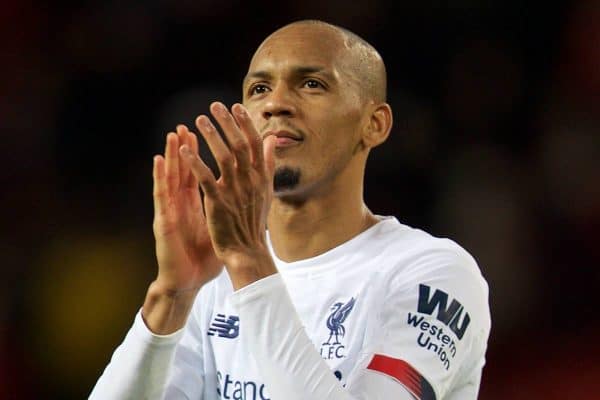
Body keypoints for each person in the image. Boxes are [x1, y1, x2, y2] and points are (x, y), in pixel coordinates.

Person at [90, 20, 490, 400]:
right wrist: (172, 295)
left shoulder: (433, 273)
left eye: (312, 84)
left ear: (374, 124)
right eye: (260, 88)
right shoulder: (214, 279)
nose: (276, 104)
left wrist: (249, 261)